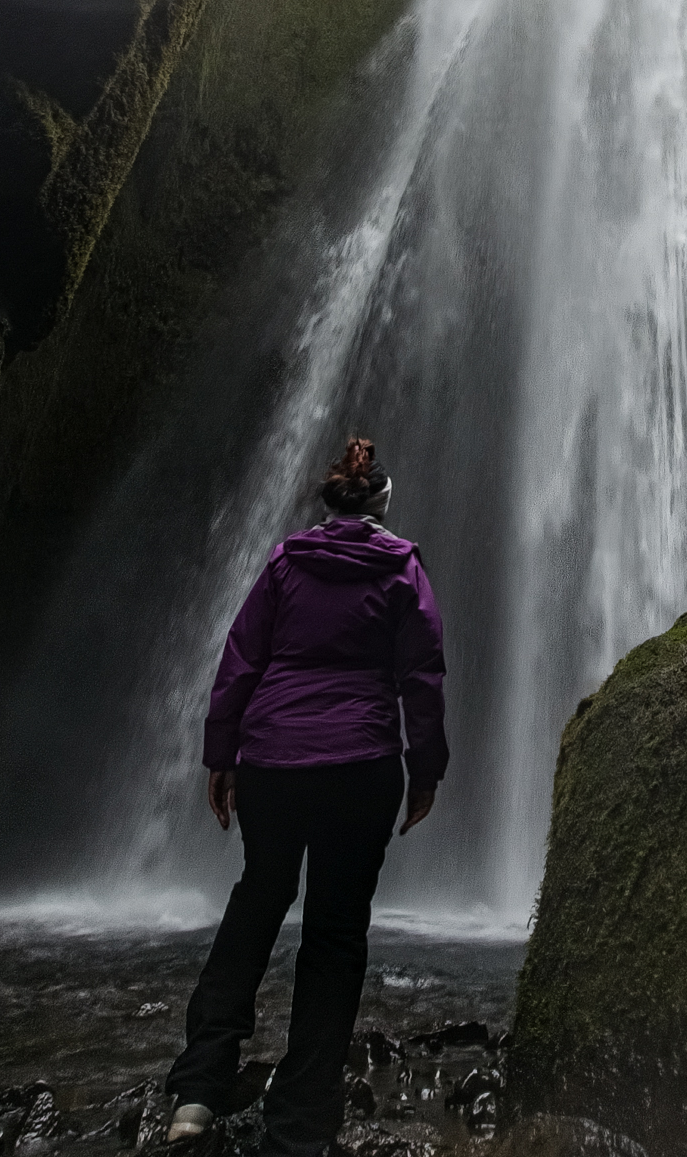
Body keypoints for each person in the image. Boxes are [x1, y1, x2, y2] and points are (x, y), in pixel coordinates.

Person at [165, 436, 448, 1156]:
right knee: (335, 932)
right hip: (362, 763)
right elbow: (421, 676)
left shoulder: (287, 565)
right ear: (383, 504)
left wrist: (222, 753)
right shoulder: (401, 569)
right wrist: (428, 770)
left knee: (259, 897)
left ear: (330, 504)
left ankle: (197, 1091)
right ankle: (298, 1125)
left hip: (275, 758)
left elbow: (241, 658)